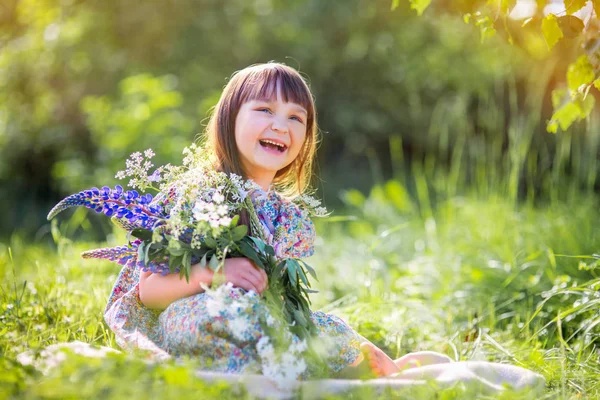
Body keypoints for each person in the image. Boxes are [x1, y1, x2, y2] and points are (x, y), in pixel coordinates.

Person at [104, 62, 452, 378]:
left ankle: (374, 368)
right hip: (193, 318)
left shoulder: (283, 216)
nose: (280, 125)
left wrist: (344, 337)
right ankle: (301, 369)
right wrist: (217, 273)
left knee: (320, 327)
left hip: (262, 322)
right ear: (229, 119)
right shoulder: (199, 193)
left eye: (295, 118)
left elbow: (282, 304)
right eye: (264, 109)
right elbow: (149, 292)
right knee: (224, 317)